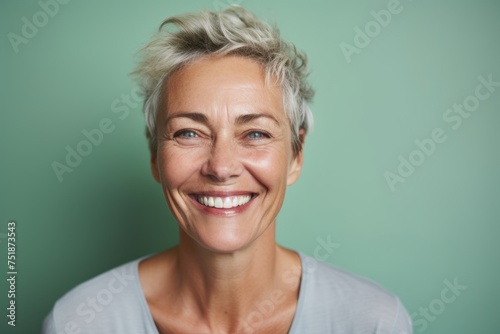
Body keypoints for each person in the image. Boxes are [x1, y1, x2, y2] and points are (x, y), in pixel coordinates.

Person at [43, 6, 413, 333]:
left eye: (254, 133)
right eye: (189, 132)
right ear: (155, 157)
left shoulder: (374, 322)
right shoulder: (80, 322)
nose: (221, 167)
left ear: (295, 157)